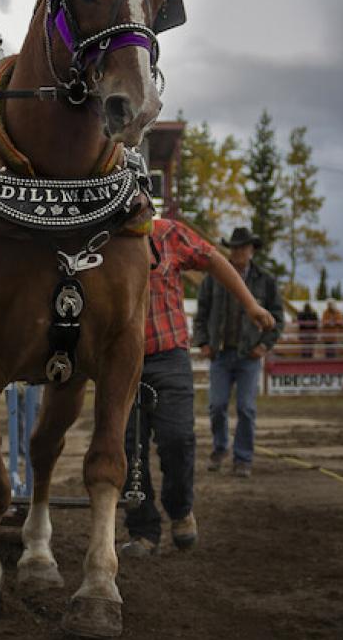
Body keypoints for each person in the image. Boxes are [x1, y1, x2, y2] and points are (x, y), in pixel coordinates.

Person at [120, 217, 276, 558]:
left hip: (169, 354)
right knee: (129, 450)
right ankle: (143, 531)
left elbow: (211, 258)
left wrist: (250, 304)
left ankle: (179, 510)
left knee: (177, 438)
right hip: (119, 360)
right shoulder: (102, 239)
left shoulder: (167, 233)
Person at [192, 227, 285, 478]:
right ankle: (221, 448)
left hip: (249, 356)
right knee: (217, 405)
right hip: (221, 354)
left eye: (242, 247)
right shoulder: (213, 279)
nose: (238, 252)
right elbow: (201, 315)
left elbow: (278, 319)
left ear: (252, 249)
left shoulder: (265, 281)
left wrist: (264, 345)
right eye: (234, 248)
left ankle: (242, 458)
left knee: (245, 408)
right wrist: (203, 342)